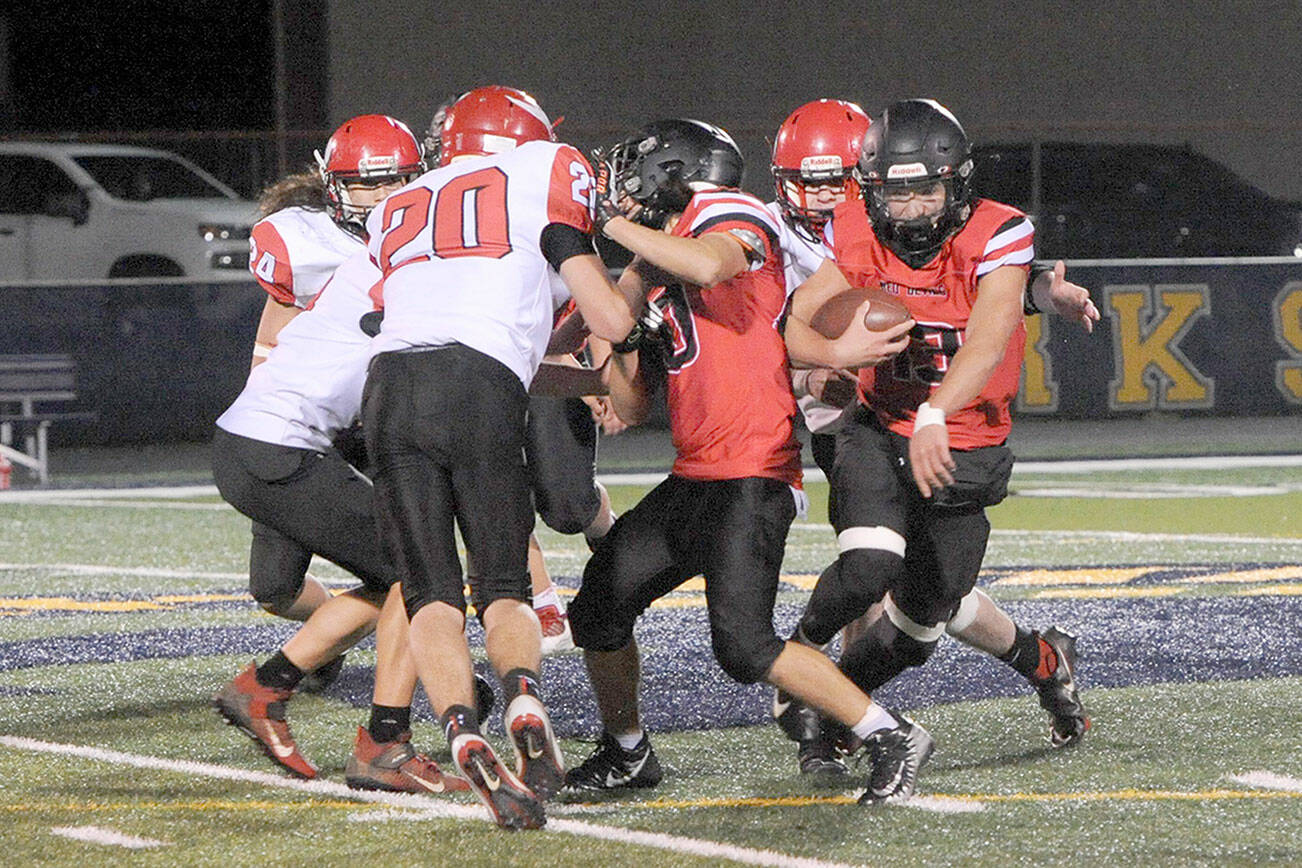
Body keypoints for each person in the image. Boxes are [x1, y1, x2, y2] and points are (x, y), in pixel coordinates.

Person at [562, 118, 935, 806]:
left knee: (744, 647)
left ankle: (888, 732)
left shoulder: (727, 213)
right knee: (598, 608)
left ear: (674, 170)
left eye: (634, 171)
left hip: (752, 472)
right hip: (694, 475)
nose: (623, 189)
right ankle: (625, 752)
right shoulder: (655, 258)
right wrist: (621, 340)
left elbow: (709, 265)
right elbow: (631, 405)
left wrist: (610, 230)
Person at [769, 99, 1099, 773]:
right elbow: (786, 322)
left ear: (958, 183)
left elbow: (986, 336)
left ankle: (847, 702)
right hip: (875, 421)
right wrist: (826, 363)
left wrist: (936, 413)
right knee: (868, 562)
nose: (912, 207)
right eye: (896, 190)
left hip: (962, 440)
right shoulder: (839, 226)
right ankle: (798, 669)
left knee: (924, 619)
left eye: (927, 188)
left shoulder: (997, 234)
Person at [361, 85, 643, 830]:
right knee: (504, 583)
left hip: (387, 389)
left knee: (429, 593)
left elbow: (424, 315)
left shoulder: (397, 205)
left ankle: (459, 729)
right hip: (478, 384)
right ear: (528, 137)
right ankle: (520, 693)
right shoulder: (546, 168)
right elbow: (589, 318)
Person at [212, 239, 476, 793]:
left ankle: (267, 687)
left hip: (262, 442)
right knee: (422, 574)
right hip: (278, 446)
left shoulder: (383, 258)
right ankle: (382, 745)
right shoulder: (416, 274)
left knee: (396, 578)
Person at [240, 115, 424, 631]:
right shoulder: (301, 243)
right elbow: (271, 340)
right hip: (319, 424)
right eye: (368, 183)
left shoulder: (440, 236)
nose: (385, 194)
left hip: (399, 422)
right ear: (335, 185)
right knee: (275, 588)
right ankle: (327, 642)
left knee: (414, 568)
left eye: (397, 179)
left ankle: (446, 654)